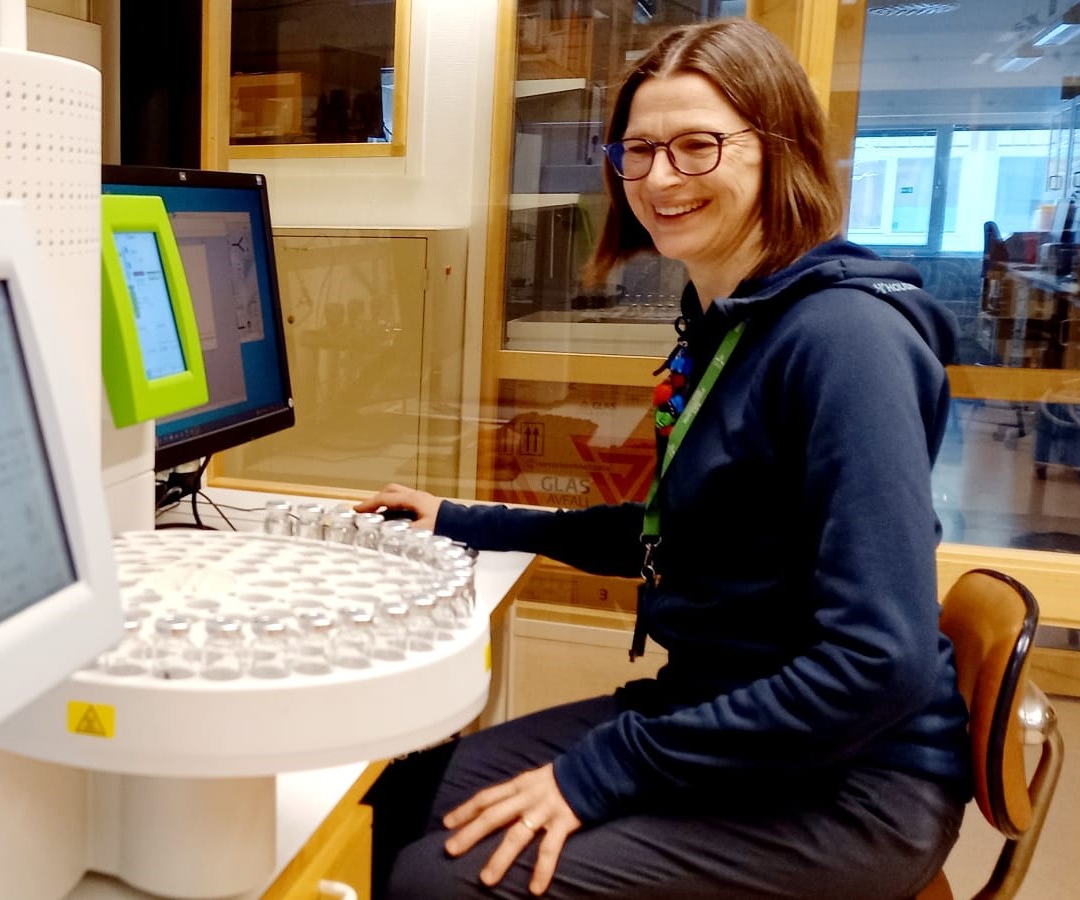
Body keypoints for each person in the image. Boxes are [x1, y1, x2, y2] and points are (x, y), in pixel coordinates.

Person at [355, 16, 971, 900]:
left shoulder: (845, 341)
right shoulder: (734, 320)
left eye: (696, 145)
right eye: (637, 151)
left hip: (849, 781)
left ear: (780, 151)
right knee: (396, 800)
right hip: (720, 712)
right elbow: (674, 535)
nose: (658, 178)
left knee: (436, 880)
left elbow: (879, 664)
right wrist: (461, 520)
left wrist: (600, 772)